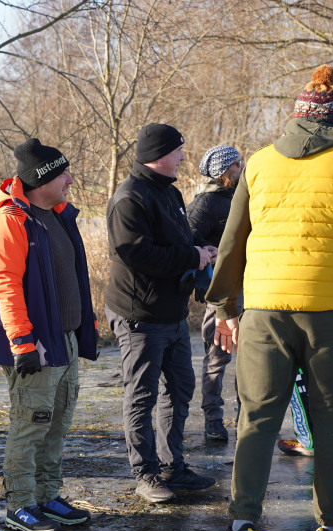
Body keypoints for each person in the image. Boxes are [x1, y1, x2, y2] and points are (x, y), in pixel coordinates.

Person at [208, 65, 333, 531]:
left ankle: (243, 527)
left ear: (296, 117)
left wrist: (224, 304)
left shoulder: (260, 162)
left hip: (265, 310)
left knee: (256, 417)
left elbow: (233, 241)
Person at [0, 138, 97, 531]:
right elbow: (5, 285)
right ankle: (21, 504)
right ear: (41, 179)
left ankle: (48, 495)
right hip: (34, 344)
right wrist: (22, 343)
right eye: (63, 173)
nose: (70, 179)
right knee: (31, 423)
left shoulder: (57, 215)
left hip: (64, 339)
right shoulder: (8, 221)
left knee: (57, 422)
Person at [105, 123, 217, 504]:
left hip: (171, 313)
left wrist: (202, 250)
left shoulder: (171, 192)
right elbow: (135, 254)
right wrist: (192, 256)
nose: (184, 158)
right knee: (141, 395)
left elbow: (180, 241)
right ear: (160, 154)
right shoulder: (129, 198)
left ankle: (173, 467)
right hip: (139, 315)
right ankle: (146, 474)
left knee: (180, 388)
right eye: (179, 151)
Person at [187, 145, 243, 442]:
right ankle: (213, 420)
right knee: (218, 356)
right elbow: (187, 243)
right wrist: (208, 253)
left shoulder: (241, 197)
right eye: (236, 164)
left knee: (250, 359)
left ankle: (247, 420)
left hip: (249, 291)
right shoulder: (204, 204)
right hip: (218, 294)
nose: (241, 167)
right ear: (223, 173)